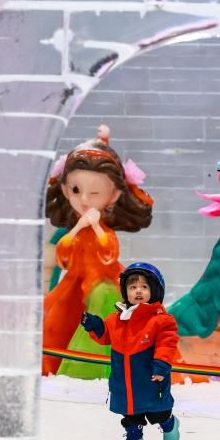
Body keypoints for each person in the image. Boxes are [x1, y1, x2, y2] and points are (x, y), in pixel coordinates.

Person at [42, 125, 153, 376]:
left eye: (94, 193)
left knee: (104, 307)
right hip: (75, 283)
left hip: (103, 282)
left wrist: (94, 226)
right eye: (76, 190)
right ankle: (53, 365)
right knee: (56, 320)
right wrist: (78, 227)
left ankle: (92, 368)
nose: (84, 200)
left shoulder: (104, 230)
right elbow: (63, 258)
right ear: (65, 189)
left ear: (113, 195)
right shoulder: (76, 229)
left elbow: (109, 254)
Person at [81, 262, 182, 440]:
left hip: (151, 377)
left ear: (154, 291)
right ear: (125, 291)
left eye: (144, 287)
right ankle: (134, 438)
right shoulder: (116, 319)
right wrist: (95, 325)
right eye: (132, 287)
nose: (138, 291)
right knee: (129, 410)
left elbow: (166, 344)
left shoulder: (161, 320)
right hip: (124, 379)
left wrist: (161, 365)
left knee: (158, 411)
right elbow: (105, 336)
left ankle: (169, 423)